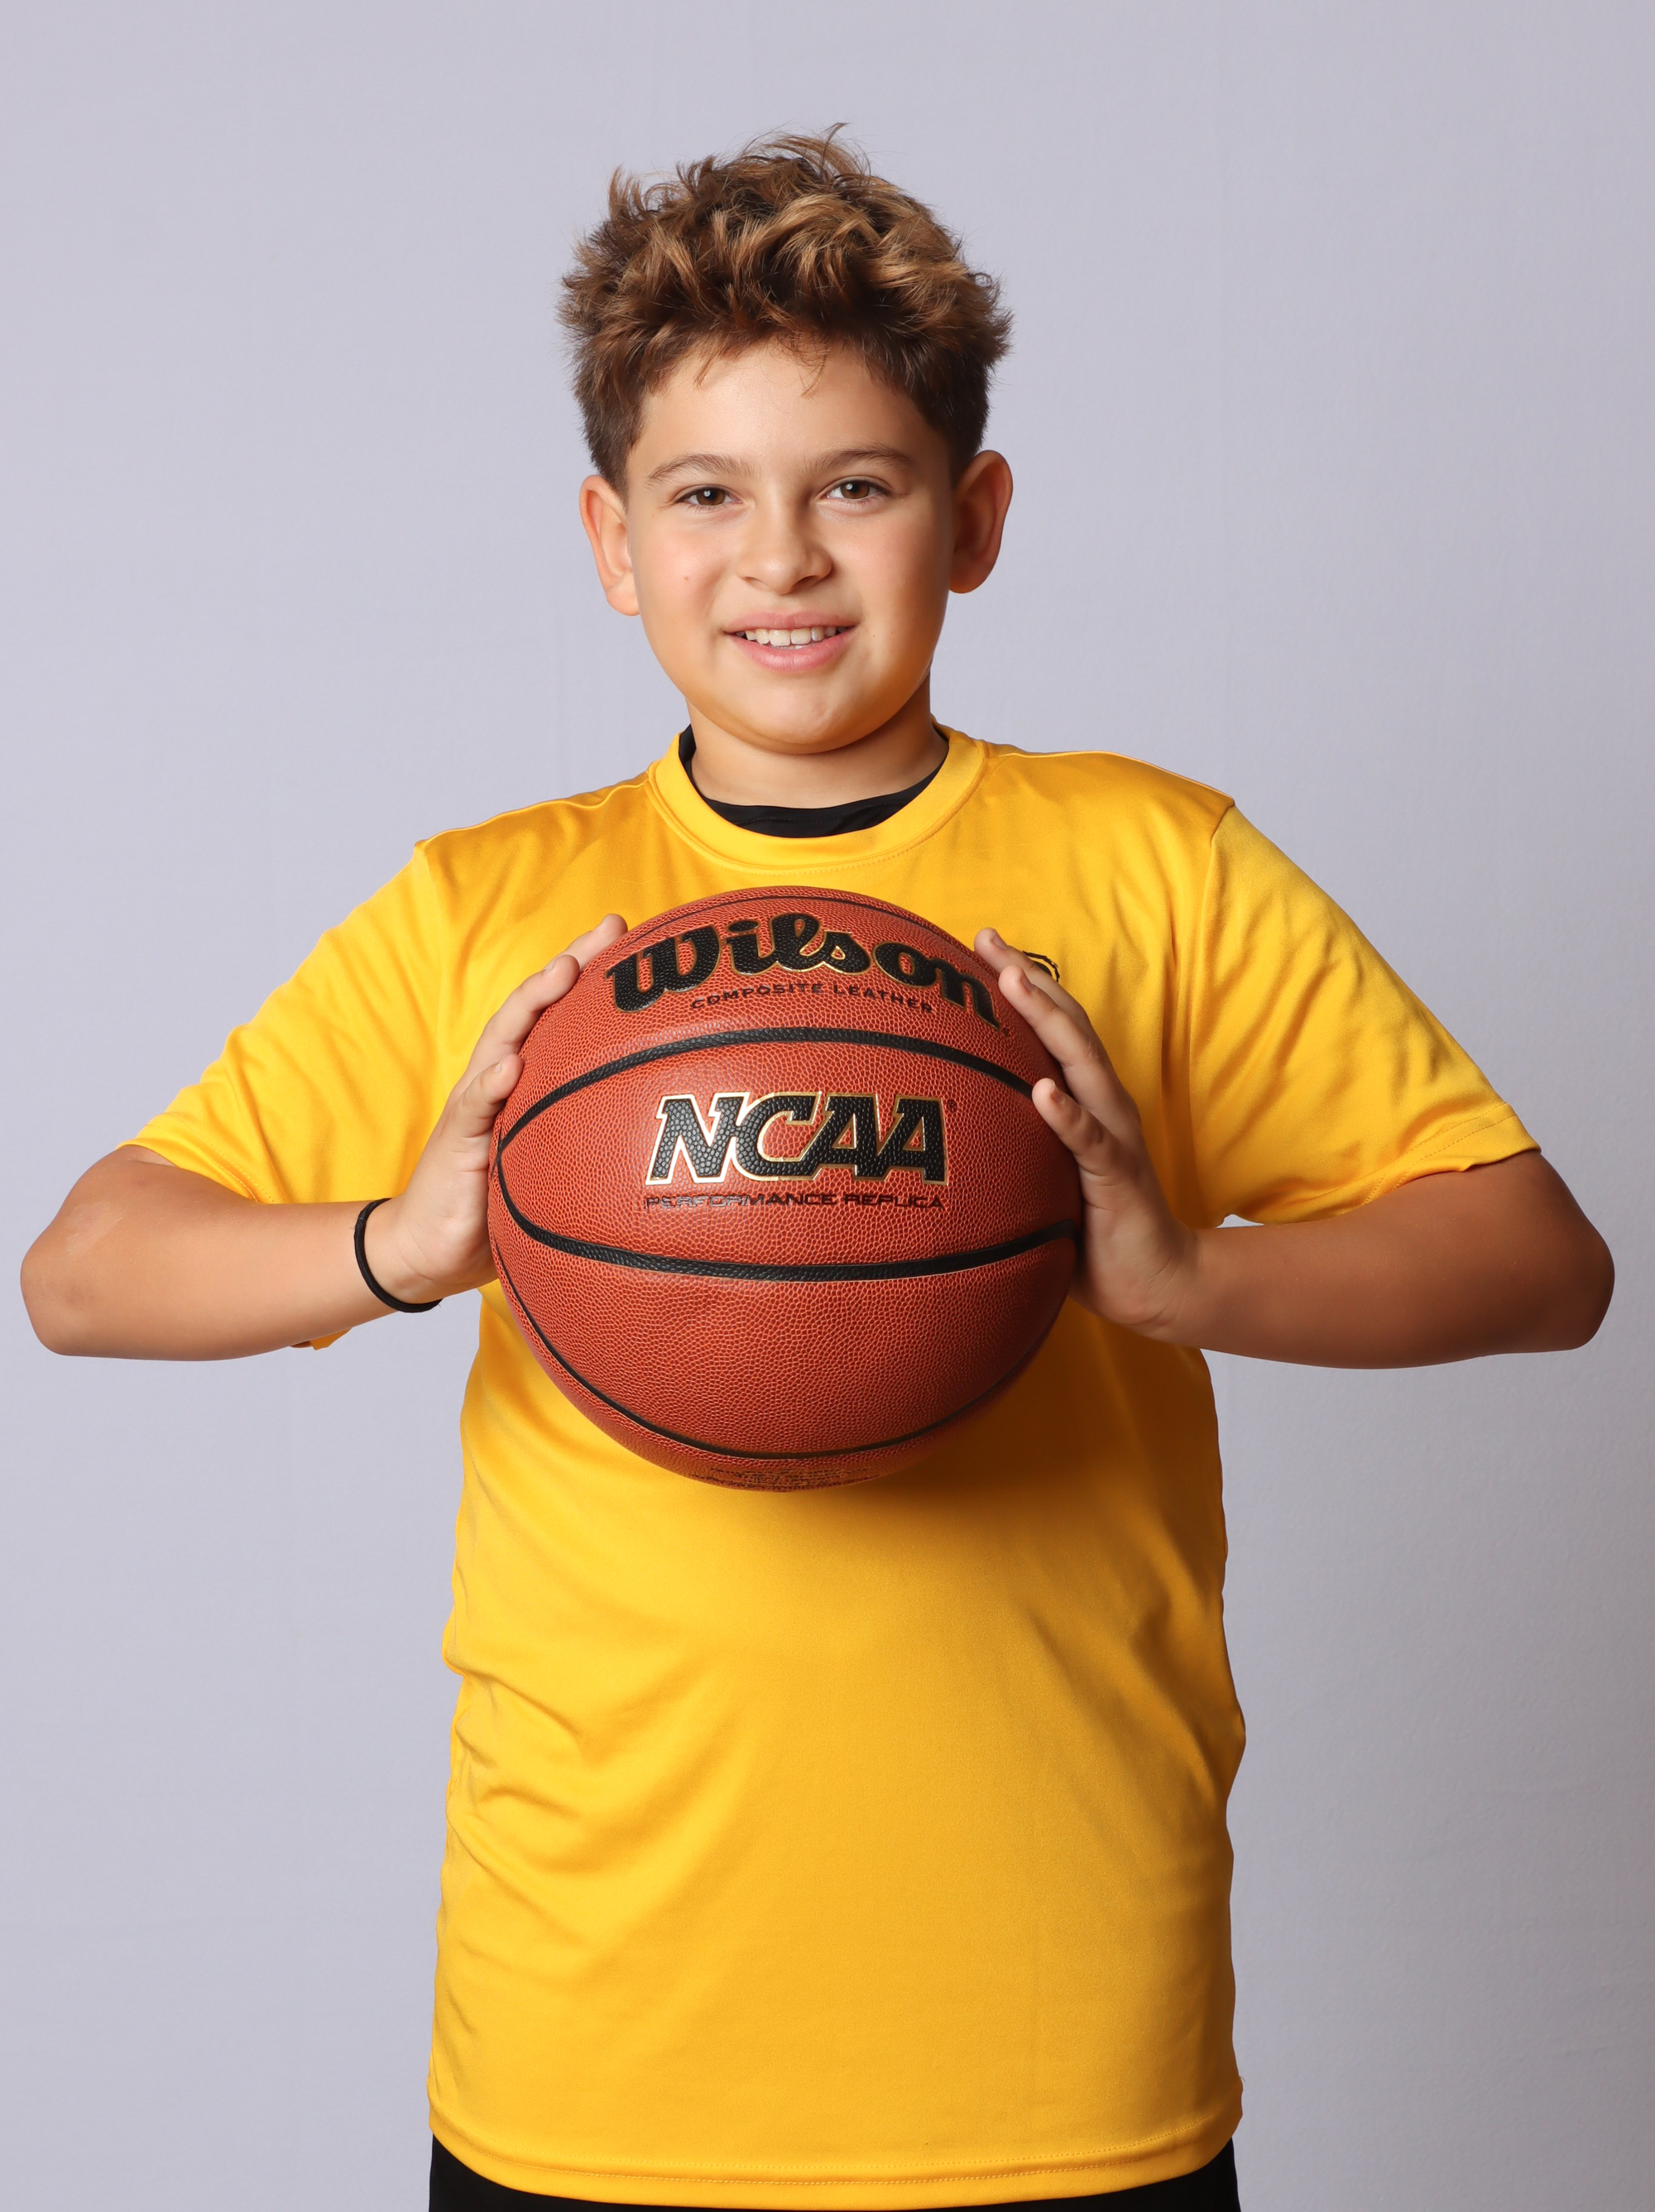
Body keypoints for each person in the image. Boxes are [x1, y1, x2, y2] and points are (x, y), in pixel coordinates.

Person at [21, 133, 1613, 2211]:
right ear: (611, 541)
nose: (780, 557)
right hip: (595, 2037)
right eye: (706, 495)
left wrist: (1182, 1278)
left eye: (856, 484)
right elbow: (84, 1269)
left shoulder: (1157, 864)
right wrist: (406, 1241)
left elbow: (1538, 1258)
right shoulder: (484, 907)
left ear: (975, 519)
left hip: (1058, 2027)